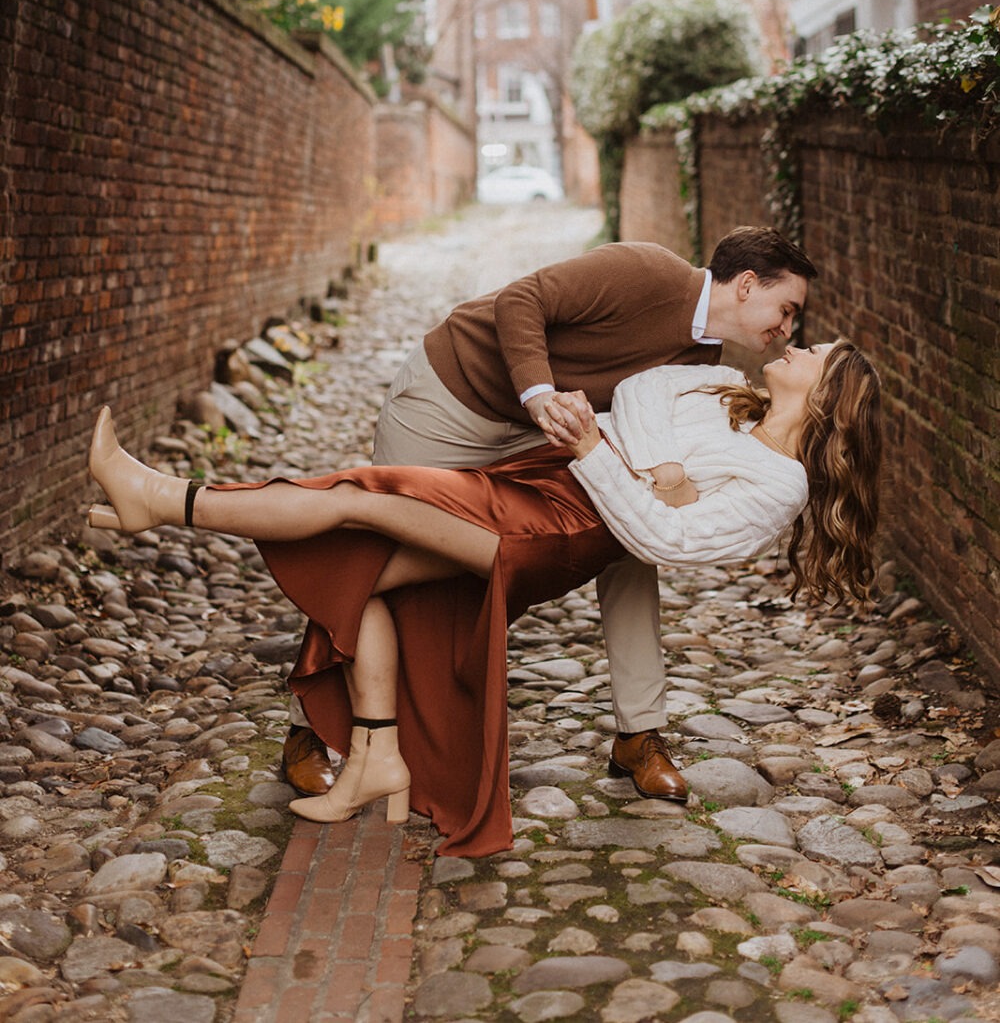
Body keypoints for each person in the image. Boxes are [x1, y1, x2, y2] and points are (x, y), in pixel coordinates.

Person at [87, 338, 881, 858]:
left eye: (817, 350)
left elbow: (663, 541)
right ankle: (378, 755)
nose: (799, 342)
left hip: (557, 528)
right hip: (546, 480)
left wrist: (603, 456)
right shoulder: (723, 387)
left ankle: (161, 498)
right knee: (363, 578)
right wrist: (658, 466)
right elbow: (641, 388)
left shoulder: (781, 483)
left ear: (829, 394)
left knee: (362, 497)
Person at [282, 225, 818, 802]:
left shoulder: (703, 358)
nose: (787, 330)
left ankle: (640, 733)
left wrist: (665, 480)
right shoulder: (646, 271)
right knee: (392, 551)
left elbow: (644, 440)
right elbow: (521, 299)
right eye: (785, 309)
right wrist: (538, 392)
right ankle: (306, 727)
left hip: (548, 437)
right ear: (744, 285)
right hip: (453, 401)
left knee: (629, 544)